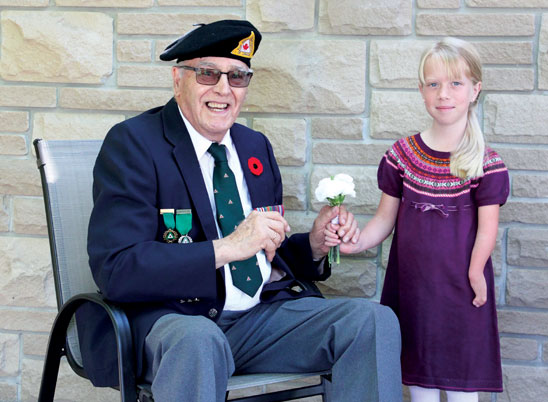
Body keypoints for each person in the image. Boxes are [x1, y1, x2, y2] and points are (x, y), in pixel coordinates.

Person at [79, 19, 403, 402]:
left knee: (372, 321)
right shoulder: (135, 144)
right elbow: (118, 268)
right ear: (177, 79)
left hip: (259, 321)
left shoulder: (254, 148)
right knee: (198, 340)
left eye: (236, 76)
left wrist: (313, 245)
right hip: (176, 323)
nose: (223, 89)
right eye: (207, 73)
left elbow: (263, 253)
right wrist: (227, 247)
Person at [326, 37, 508, 402]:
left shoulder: (486, 164)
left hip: (462, 292)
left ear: (475, 89)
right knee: (418, 384)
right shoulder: (402, 155)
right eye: (434, 83)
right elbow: (384, 219)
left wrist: (475, 272)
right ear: (422, 91)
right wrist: (357, 241)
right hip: (413, 291)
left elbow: (487, 229)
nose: (444, 93)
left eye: (456, 83)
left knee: (461, 390)